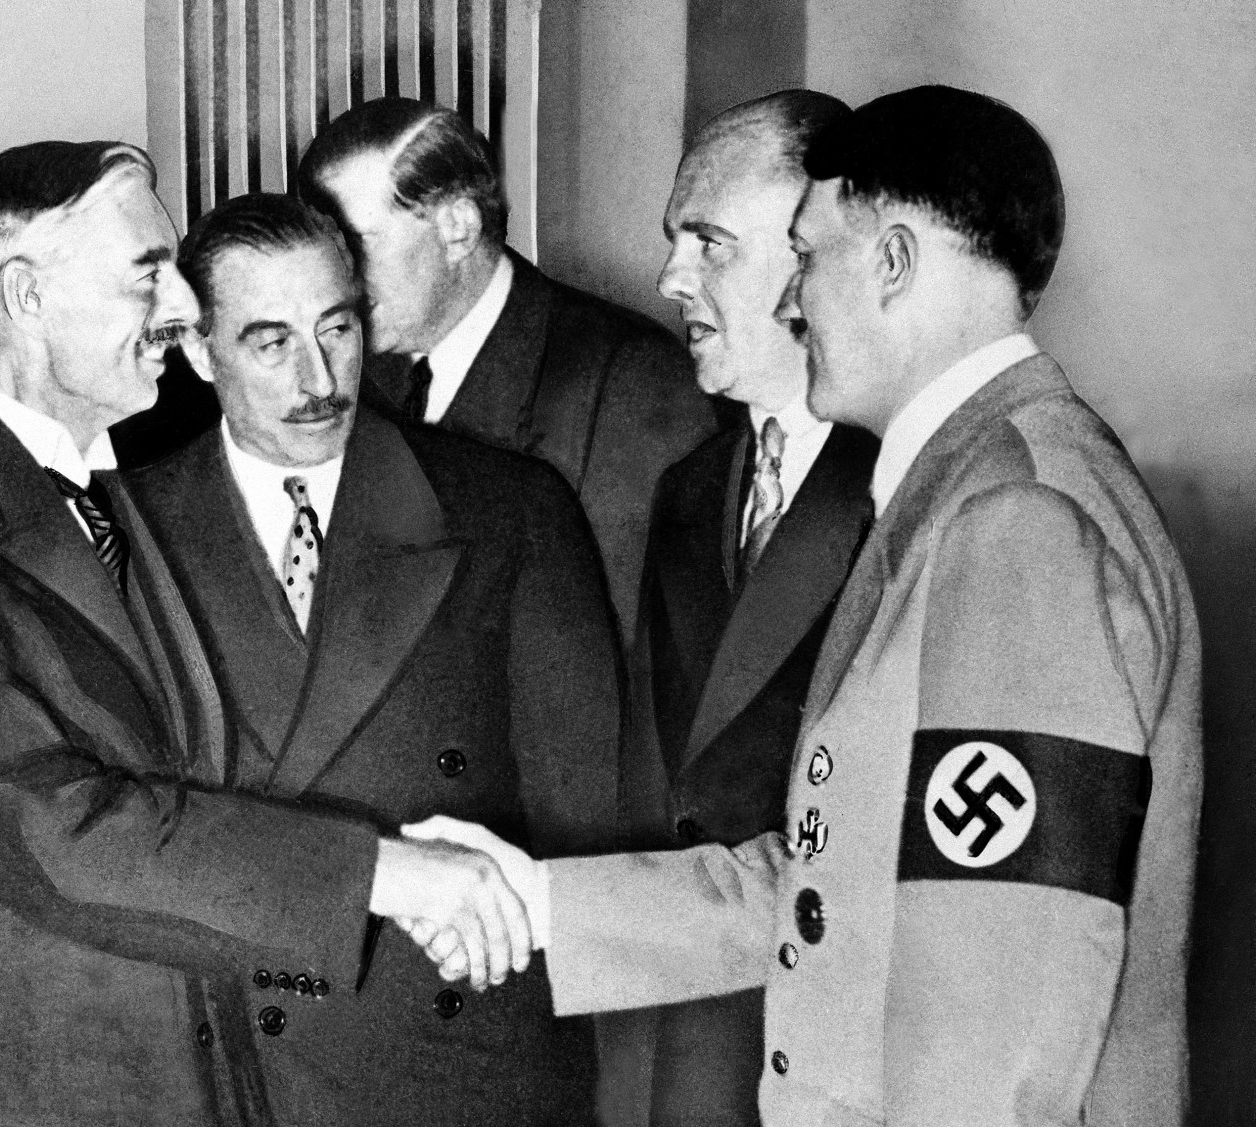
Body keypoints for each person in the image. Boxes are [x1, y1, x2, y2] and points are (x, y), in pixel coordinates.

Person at [408, 86, 1202, 1127]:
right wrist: (538, 898)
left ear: (892, 262)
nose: (795, 302)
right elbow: (840, 876)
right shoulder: (969, 487)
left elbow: (996, 1016)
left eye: (810, 256)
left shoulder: (1016, 517)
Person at [0, 142, 545, 1127]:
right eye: (148, 274)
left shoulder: (126, 495)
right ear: (24, 297)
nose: (183, 310)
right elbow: (58, 833)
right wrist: (382, 874)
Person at [121, 192, 621, 1127]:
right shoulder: (129, 528)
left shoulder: (507, 509)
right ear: (199, 349)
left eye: (338, 329)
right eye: (271, 343)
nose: (319, 378)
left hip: (454, 1059)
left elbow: (585, 814)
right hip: (227, 1064)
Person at [605, 89, 875, 1127]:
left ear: (812, 254)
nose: (671, 277)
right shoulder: (691, 486)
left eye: (707, 242)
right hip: (693, 1044)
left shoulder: (921, 494)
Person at [295, 96, 722, 645]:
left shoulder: (629, 382)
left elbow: (631, 662)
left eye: (354, 244)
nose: (336, 283)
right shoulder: (362, 373)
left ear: (458, 228)